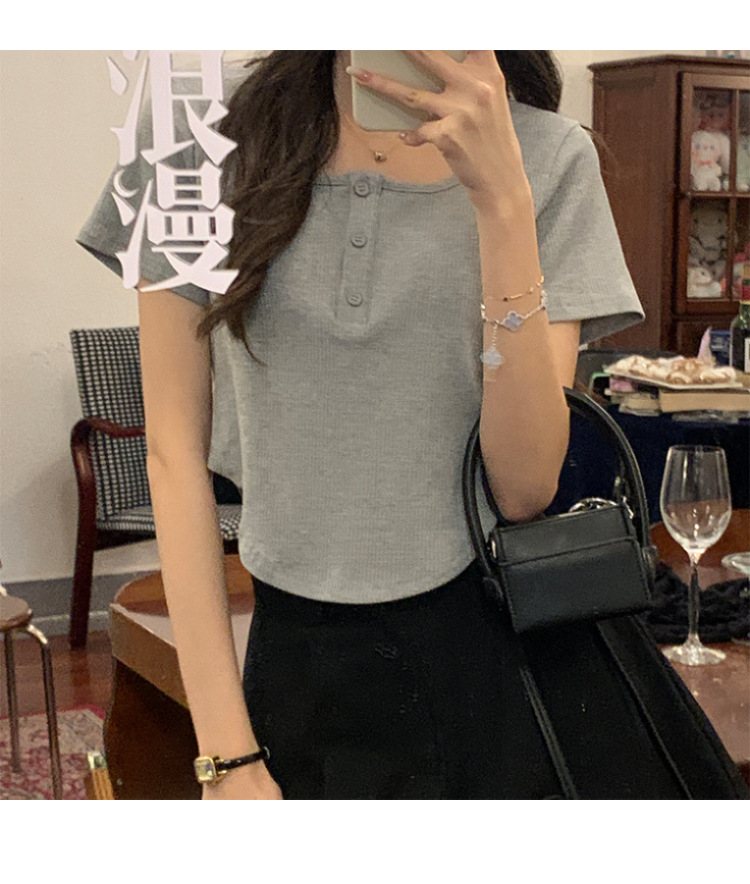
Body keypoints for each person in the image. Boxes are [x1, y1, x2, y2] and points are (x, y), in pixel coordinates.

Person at [78, 51, 748, 800]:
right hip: (293, 660)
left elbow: (524, 487)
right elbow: (173, 452)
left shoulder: (548, 155)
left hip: (499, 662)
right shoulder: (193, 130)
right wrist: (225, 757)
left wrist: (502, 201)